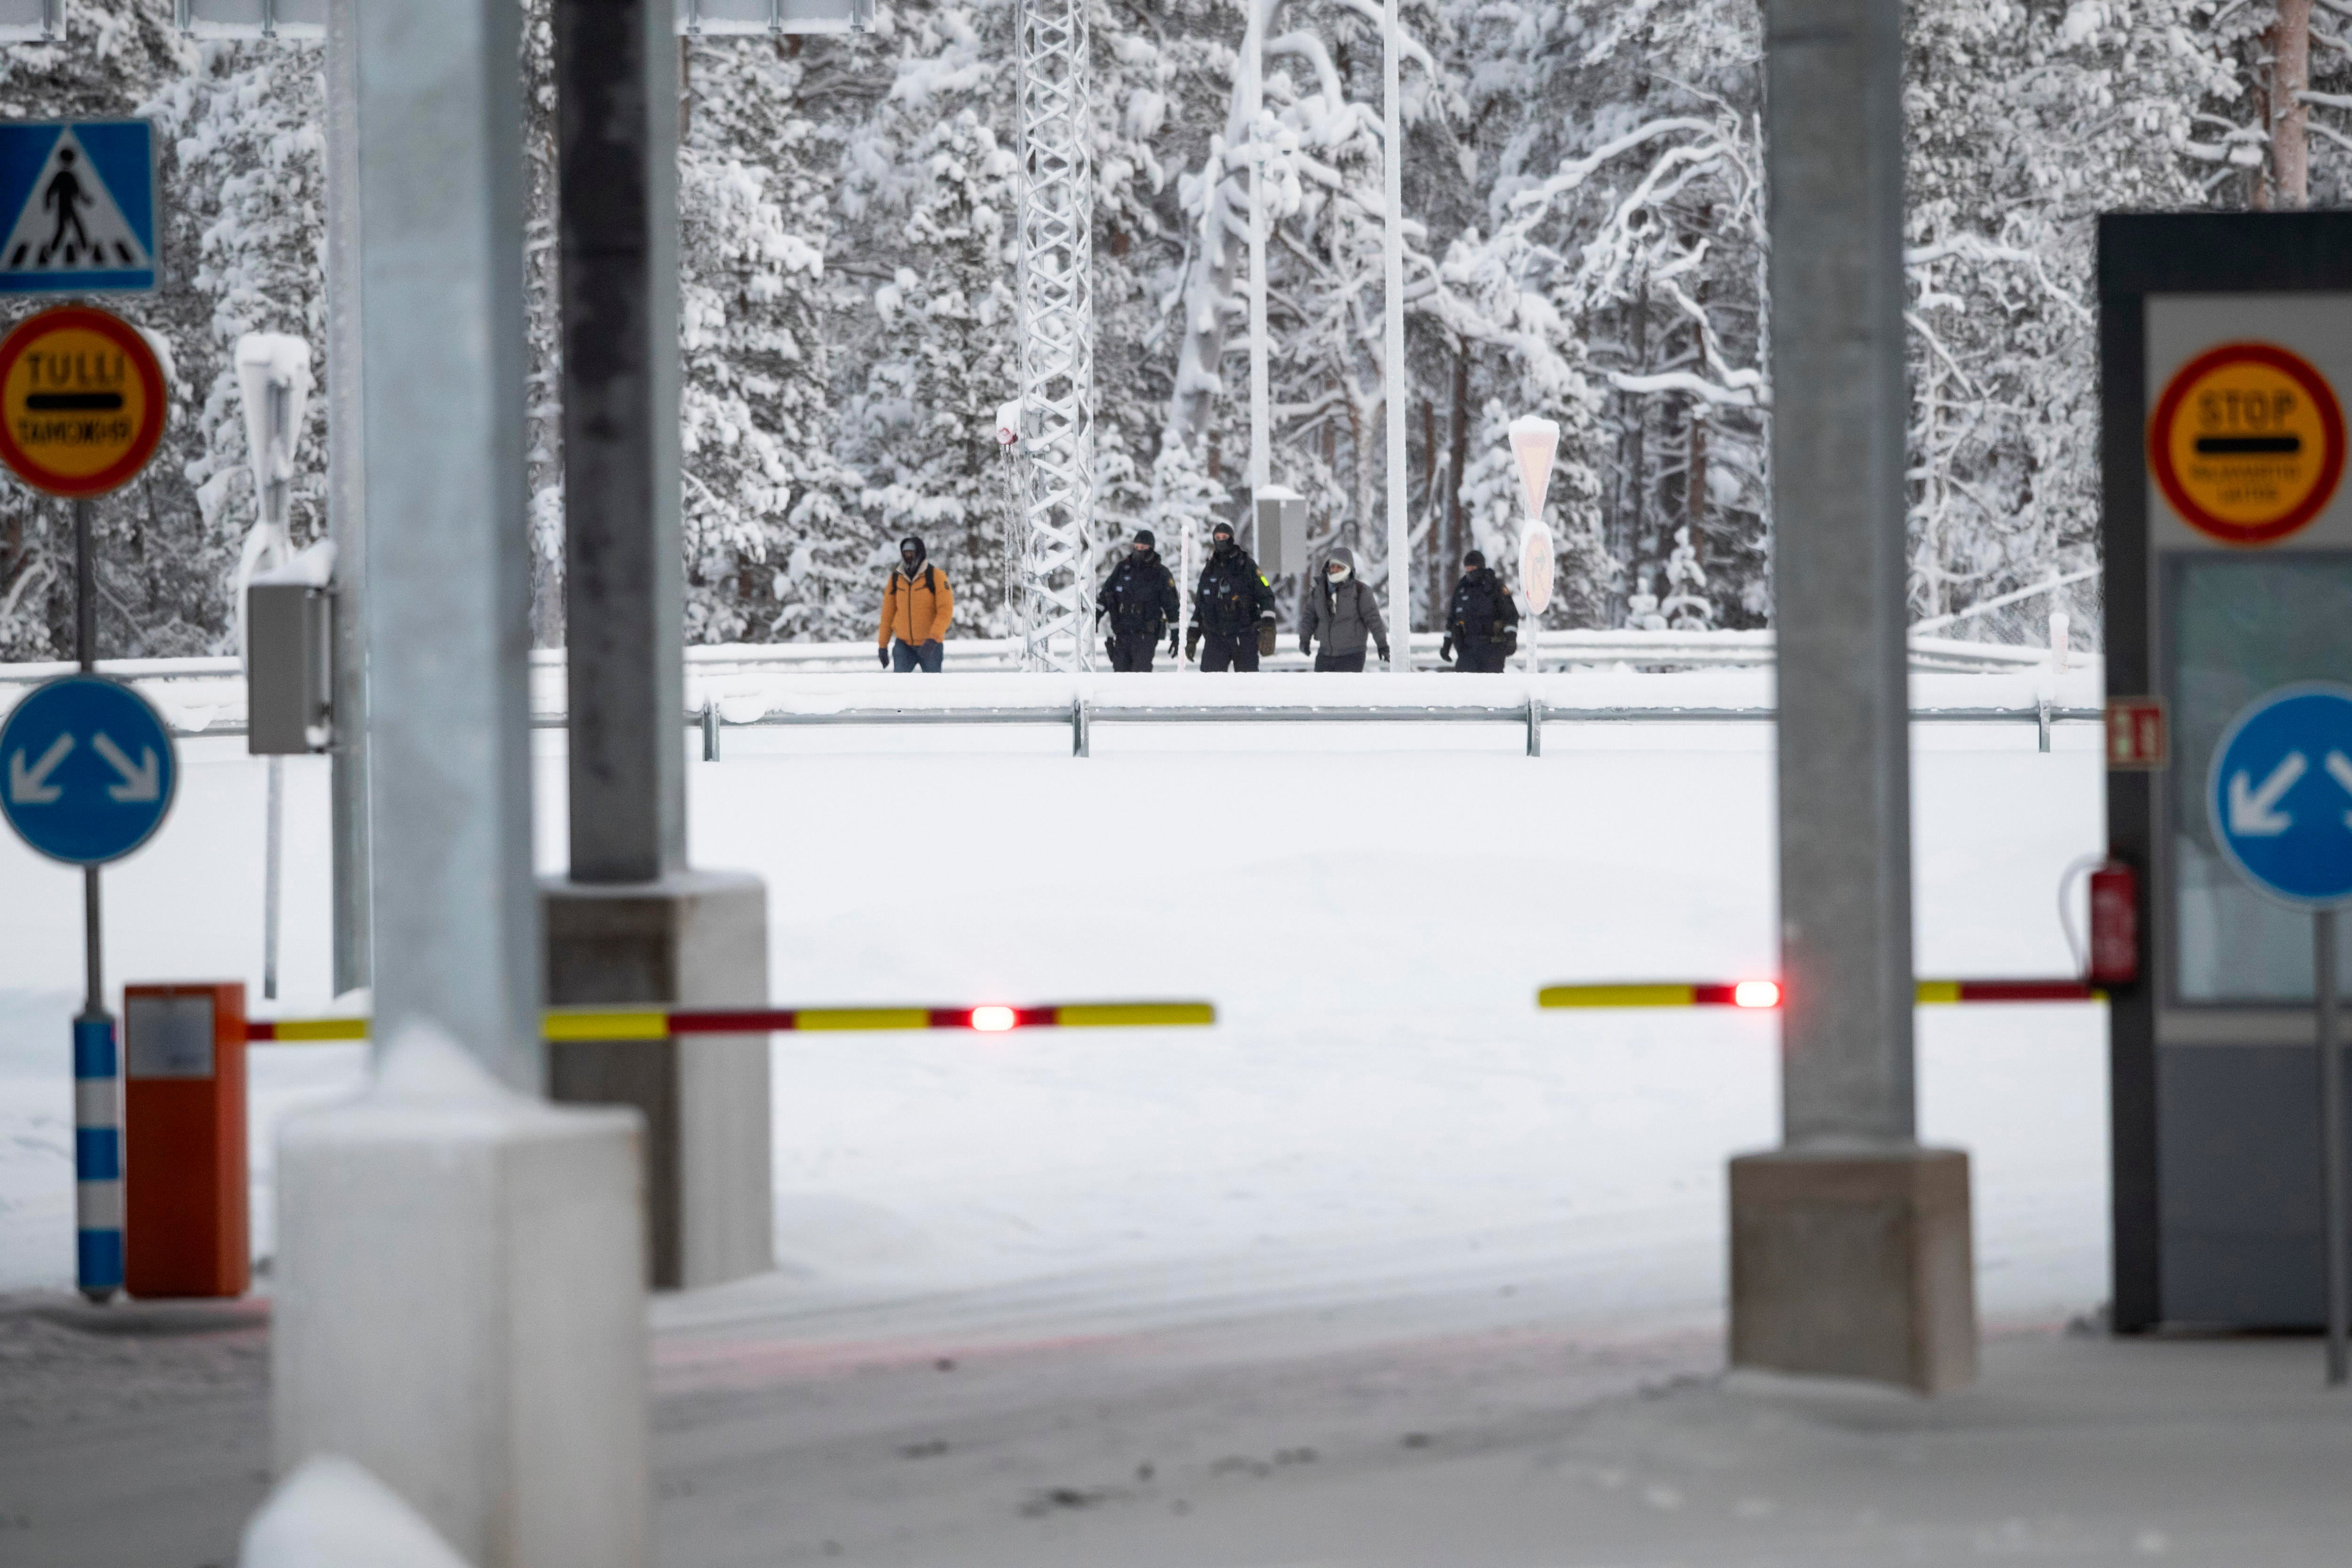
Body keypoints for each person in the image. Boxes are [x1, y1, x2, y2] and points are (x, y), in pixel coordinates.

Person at [1185, 518, 1276, 671]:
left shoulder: (1247, 566)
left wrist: (1268, 627)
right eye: (1218, 538)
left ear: (1232, 539)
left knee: (1247, 682)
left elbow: (1266, 596)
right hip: (1216, 637)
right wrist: (1192, 638)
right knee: (1210, 683)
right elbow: (1201, 607)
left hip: (1244, 635)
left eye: (1225, 537)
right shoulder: (1209, 570)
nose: (1221, 541)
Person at [1096, 528, 1180, 672]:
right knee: (1120, 675)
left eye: (1143, 547)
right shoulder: (1123, 569)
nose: (1139, 550)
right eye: (1137, 547)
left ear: (1151, 548)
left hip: (1146, 634)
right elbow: (1106, 595)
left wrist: (1176, 634)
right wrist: (1096, 616)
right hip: (1122, 632)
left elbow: (1172, 607)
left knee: (1141, 675)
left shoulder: (1161, 573)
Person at [1299, 545, 1390, 671]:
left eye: (1339, 567)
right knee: (1319, 685)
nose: (1335, 570)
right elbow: (1309, 618)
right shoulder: (1320, 591)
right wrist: (1305, 640)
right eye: (1333, 566)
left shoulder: (1361, 591)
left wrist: (1382, 645)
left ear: (1348, 569)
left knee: (1347, 686)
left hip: (1352, 656)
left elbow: (1374, 620)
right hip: (1325, 655)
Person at [876, 534, 953, 672]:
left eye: (912, 553)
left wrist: (934, 638)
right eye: (905, 553)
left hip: (931, 646)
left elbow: (945, 611)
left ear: (920, 553)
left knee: (933, 684)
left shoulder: (936, 577)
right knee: (899, 684)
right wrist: (883, 645)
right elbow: (888, 614)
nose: (908, 556)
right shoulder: (896, 578)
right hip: (904, 646)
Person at [1442, 549, 1519, 673]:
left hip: (1493, 648)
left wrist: (1511, 639)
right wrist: (1447, 645)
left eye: (1473, 568)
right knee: (1462, 681)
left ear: (1481, 567)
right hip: (1468, 648)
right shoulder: (1462, 589)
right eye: (1467, 569)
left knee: (1491, 683)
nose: (1470, 572)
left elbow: (1511, 615)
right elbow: (1452, 619)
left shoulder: (1495, 587)